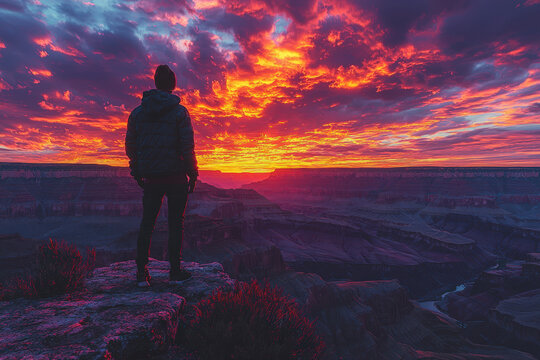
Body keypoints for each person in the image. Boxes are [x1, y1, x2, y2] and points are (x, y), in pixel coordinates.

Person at [125, 64, 198, 287]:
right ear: (172, 84)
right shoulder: (179, 112)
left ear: (156, 84)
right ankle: (175, 271)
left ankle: (141, 274)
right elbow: (187, 147)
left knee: (147, 223)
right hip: (176, 176)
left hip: (151, 178)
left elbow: (131, 147)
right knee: (176, 223)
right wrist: (192, 172)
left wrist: (137, 171)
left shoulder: (137, 114)